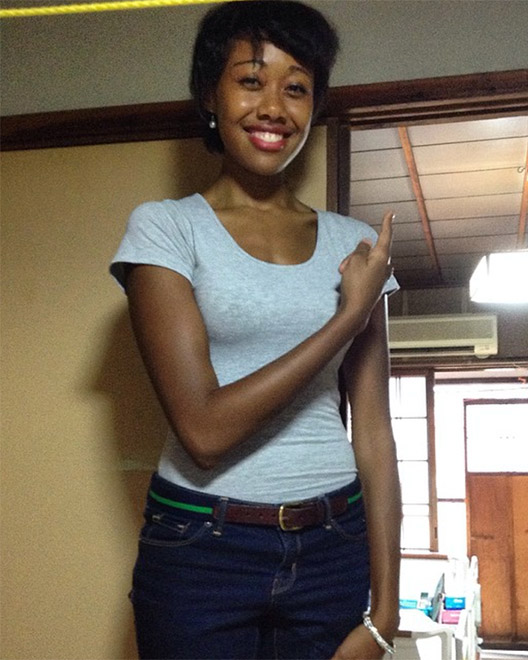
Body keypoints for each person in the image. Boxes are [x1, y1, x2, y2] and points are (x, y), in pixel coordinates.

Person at [110, 1, 401, 658]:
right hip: (199, 550)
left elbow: (376, 435)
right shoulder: (165, 228)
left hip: (335, 544)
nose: (274, 106)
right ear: (210, 95)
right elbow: (205, 431)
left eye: (296, 87)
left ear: (314, 108)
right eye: (251, 80)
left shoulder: (355, 246)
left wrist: (386, 609)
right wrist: (347, 316)